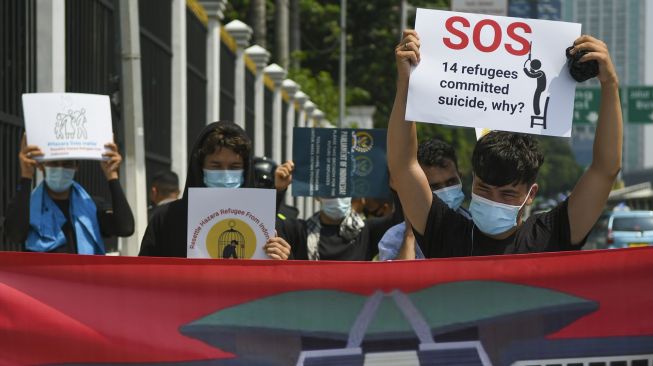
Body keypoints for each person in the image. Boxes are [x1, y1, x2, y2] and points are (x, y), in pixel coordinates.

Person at [388, 31, 622, 257]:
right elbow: (404, 165)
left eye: (508, 194)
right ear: (472, 181)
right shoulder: (445, 233)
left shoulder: (551, 235)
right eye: (484, 189)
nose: (493, 201)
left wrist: (609, 84)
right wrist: (406, 82)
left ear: (531, 194)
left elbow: (605, 170)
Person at [139, 121, 291, 260]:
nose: (225, 173)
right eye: (216, 166)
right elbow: (143, 277)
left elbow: (284, 282)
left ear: (246, 170)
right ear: (200, 167)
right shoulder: (166, 219)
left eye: (234, 167)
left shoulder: (263, 224)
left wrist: (282, 259)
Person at [4, 134, 134, 254]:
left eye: (67, 164)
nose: (60, 168)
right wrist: (26, 175)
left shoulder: (92, 207)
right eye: (54, 163)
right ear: (41, 165)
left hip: (83, 279)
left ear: (76, 166)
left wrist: (112, 175)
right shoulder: (28, 207)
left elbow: (126, 228)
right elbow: (15, 234)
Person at [276, 161, 403, 261]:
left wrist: (396, 184)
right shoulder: (298, 232)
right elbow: (264, 226)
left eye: (342, 187)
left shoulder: (366, 232)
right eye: (328, 189)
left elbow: (402, 219)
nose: (336, 195)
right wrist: (279, 189)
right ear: (316, 195)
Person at [378, 138, 471, 261]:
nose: (446, 191)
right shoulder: (394, 239)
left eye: (451, 182)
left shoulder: (475, 226)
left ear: (460, 177)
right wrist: (410, 235)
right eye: (434, 186)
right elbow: (396, 279)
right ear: (419, 188)